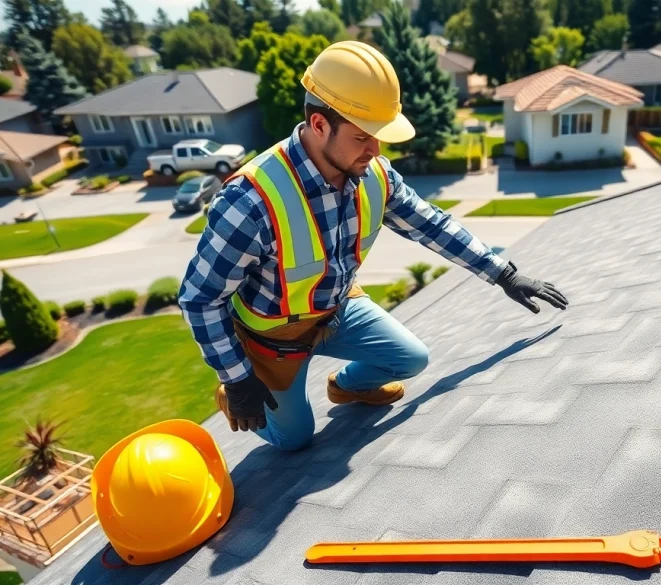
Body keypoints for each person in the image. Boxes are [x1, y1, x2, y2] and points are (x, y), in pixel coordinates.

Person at [177, 41, 568, 452]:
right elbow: (199, 299)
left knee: (412, 358)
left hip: (336, 309)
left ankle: (346, 387)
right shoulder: (251, 201)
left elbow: (431, 224)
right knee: (293, 439)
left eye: (378, 136)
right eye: (363, 136)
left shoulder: (374, 174)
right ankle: (236, 399)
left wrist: (503, 273)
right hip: (273, 336)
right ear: (319, 124)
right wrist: (237, 378)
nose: (376, 150)